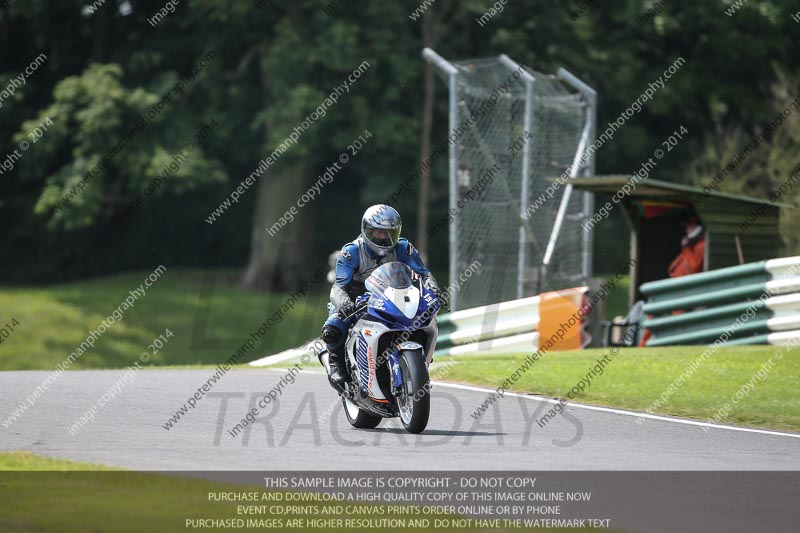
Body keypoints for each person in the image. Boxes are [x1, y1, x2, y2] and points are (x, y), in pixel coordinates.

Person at [321, 204, 447, 384]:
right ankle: (336, 364)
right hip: (356, 298)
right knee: (332, 327)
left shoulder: (404, 248)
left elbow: (423, 274)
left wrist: (434, 290)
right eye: (378, 232)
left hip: (392, 295)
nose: (383, 238)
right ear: (367, 230)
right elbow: (339, 286)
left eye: (389, 233)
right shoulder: (351, 252)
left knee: (422, 317)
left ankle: (420, 360)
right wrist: (345, 304)